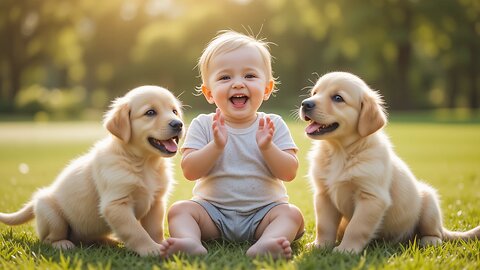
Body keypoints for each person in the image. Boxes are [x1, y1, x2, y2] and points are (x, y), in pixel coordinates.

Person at [161, 30, 304, 259]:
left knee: (291, 215)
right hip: (212, 214)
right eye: (225, 78)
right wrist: (216, 146)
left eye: (249, 76)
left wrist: (268, 147)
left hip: (263, 214)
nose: (238, 84)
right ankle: (190, 241)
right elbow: (189, 171)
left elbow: (289, 173)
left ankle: (267, 243)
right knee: (180, 210)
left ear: (267, 88)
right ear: (209, 93)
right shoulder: (204, 125)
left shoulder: (272, 124)